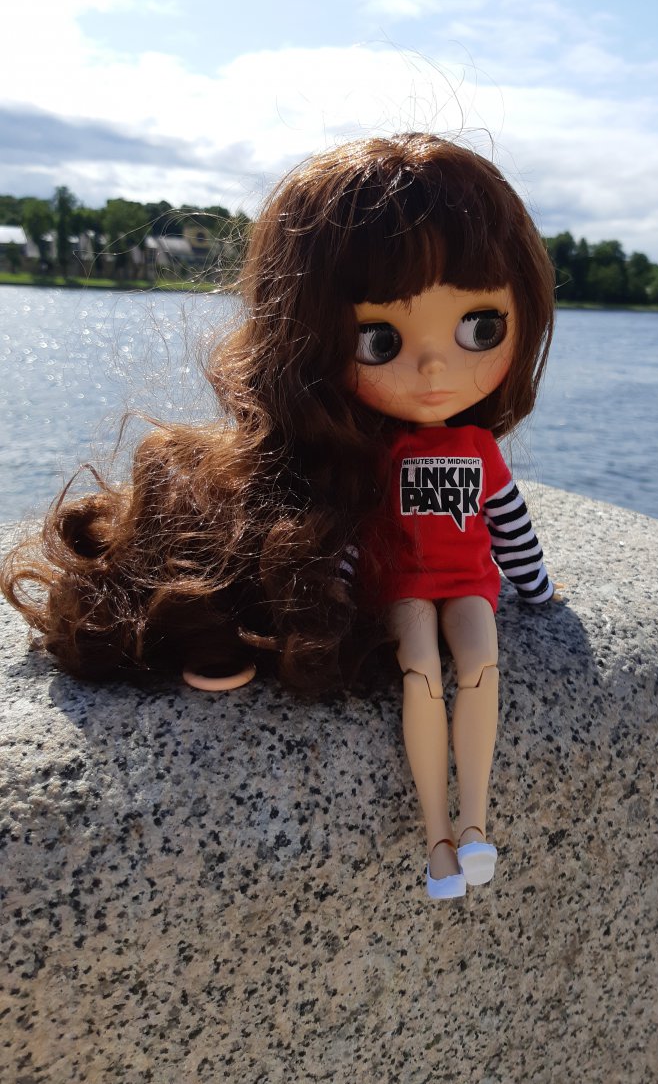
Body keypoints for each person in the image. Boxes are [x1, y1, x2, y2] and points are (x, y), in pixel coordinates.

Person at [1, 132, 558, 899]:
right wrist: (315, 596)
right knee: (424, 672)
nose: (434, 366)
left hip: (465, 585)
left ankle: (473, 826)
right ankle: (438, 837)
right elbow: (350, 533)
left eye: (480, 328)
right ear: (306, 339)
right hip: (402, 587)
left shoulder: (472, 451)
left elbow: (509, 525)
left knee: (476, 665)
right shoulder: (361, 462)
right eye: (379, 338)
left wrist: (536, 587)